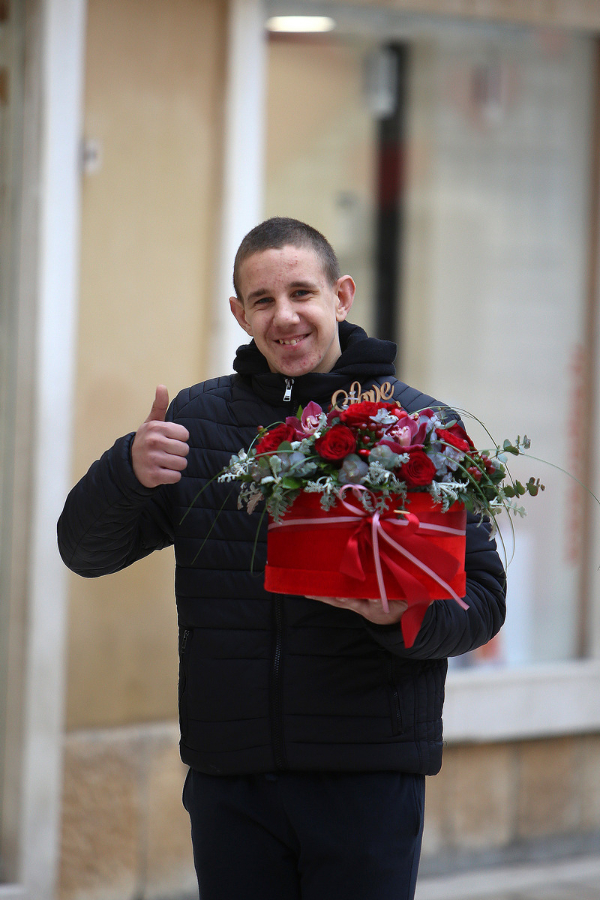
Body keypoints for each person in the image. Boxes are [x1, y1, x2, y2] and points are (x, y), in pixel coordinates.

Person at [58, 217, 506, 900]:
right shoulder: (196, 422)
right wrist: (128, 470)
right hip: (231, 778)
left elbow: (484, 599)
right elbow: (85, 551)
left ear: (341, 296)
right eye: (262, 300)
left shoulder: (422, 427)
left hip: (366, 777)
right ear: (239, 314)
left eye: (302, 293)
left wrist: (402, 617)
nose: (285, 317)